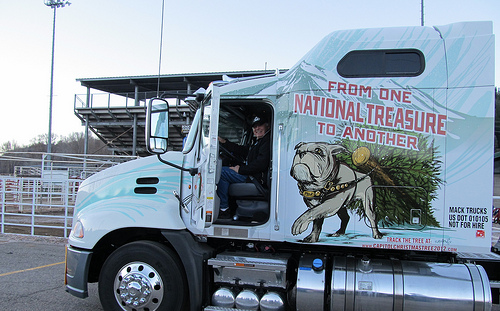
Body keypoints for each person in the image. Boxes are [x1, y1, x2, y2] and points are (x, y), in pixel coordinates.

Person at [217, 115, 271, 218]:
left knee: (222, 172)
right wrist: (224, 142)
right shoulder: (259, 141)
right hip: (252, 174)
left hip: (255, 178)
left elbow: (261, 163)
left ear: (267, 126)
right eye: (254, 127)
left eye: (260, 125)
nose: (256, 129)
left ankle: (224, 209)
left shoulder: (267, 141)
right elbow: (244, 151)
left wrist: (241, 169)